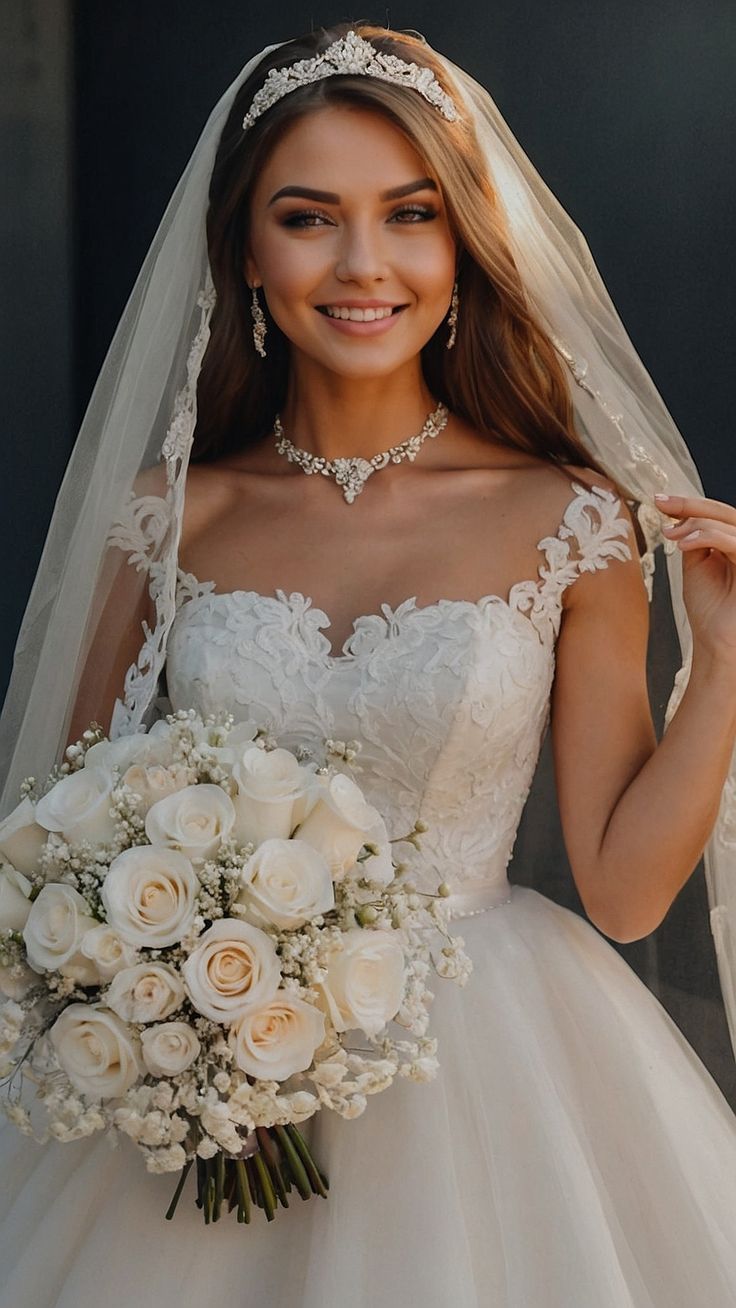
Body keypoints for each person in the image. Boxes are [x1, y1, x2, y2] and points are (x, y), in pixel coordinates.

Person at [1, 22, 736, 1307]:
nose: (362, 265)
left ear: (461, 245)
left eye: (408, 215)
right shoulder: (168, 516)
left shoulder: (574, 518)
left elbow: (622, 894)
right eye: (308, 217)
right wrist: (168, 983)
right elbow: (68, 840)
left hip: (495, 1071)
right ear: (243, 248)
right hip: (206, 1083)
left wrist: (726, 667)